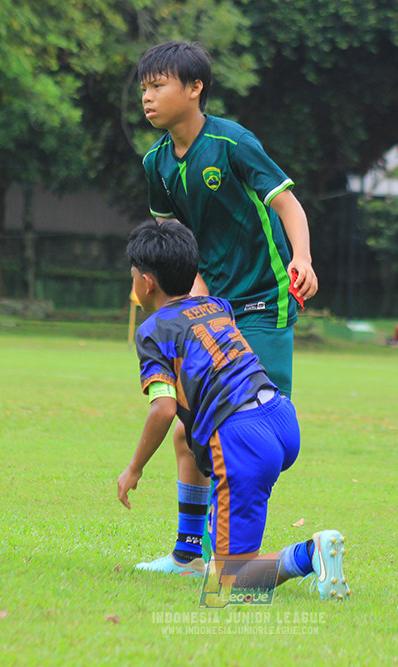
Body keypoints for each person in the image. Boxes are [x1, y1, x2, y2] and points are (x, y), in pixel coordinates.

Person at [135, 40, 318, 574]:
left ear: (195, 89)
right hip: (214, 305)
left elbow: (287, 203)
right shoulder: (156, 163)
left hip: (264, 300)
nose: (147, 97)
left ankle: (241, 560)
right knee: (187, 430)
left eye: (159, 85)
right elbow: (177, 246)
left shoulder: (232, 142)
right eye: (144, 88)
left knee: (249, 428)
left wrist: (302, 258)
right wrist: (183, 299)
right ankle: (191, 554)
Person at [118, 219, 349, 602]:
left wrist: (134, 468)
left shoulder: (152, 332)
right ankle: (189, 553)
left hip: (242, 440)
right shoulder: (217, 305)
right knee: (187, 437)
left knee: (228, 583)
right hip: (279, 417)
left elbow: (163, 409)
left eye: (133, 279)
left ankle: (310, 554)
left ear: (146, 283)